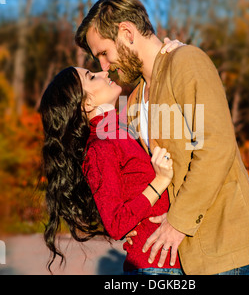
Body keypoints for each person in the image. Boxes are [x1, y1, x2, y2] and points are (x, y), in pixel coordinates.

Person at [75, 0, 249, 275]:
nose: (105, 66)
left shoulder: (186, 62)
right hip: (182, 253)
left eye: (104, 54)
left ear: (127, 32)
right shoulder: (134, 99)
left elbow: (215, 148)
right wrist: (132, 224)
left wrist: (178, 222)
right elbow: (138, 172)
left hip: (221, 244)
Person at [39, 66, 184, 275]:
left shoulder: (118, 131)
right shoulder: (99, 147)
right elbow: (116, 223)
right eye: (91, 76)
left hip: (168, 264)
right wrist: (160, 181)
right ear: (87, 103)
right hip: (155, 267)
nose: (104, 73)